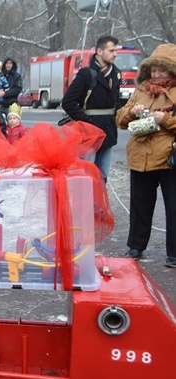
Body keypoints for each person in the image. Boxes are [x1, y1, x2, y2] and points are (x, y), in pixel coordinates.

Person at [116, 43, 176, 266]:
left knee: (173, 207)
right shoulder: (140, 90)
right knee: (140, 205)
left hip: (169, 157)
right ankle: (136, 246)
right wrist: (131, 112)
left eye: (162, 69)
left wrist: (165, 119)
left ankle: (174, 253)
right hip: (140, 156)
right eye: (153, 69)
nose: (157, 74)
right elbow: (120, 120)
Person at [63, 35, 121, 181]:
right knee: (86, 175)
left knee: (103, 176)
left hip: (108, 130)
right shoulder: (87, 74)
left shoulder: (116, 73)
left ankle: (99, 204)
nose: (115, 54)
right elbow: (68, 102)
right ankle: (85, 204)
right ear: (100, 52)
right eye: (111, 50)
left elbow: (117, 100)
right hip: (89, 132)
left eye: (116, 50)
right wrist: (86, 121)